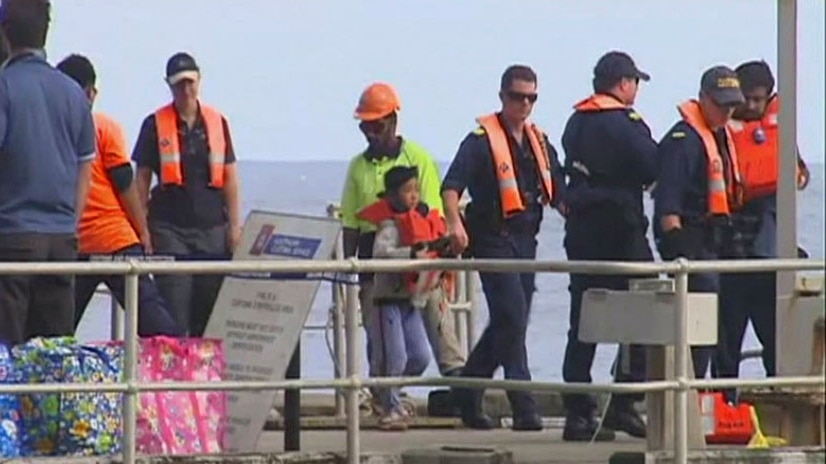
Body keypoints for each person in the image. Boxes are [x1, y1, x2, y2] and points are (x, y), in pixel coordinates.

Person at [442, 64, 566, 431]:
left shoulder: (540, 142)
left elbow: (560, 192)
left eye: (531, 98)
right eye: (517, 97)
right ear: (502, 97)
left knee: (511, 322)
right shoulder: (480, 140)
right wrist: (453, 224)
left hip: (526, 240)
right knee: (511, 316)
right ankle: (524, 405)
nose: (524, 104)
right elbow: (451, 187)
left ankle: (467, 390)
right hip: (492, 238)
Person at [339, 82, 466, 413]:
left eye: (375, 125)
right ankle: (386, 398)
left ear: (393, 121)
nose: (369, 132)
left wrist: (439, 265)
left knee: (440, 339)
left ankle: (466, 396)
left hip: (421, 263)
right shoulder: (357, 167)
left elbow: (432, 215)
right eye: (364, 126)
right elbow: (351, 224)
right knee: (382, 342)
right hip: (377, 265)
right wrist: (350, 272)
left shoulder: (419, 159)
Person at [559, 51, 658, 441]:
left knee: (582, 320)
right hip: (621, 230)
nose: (636, 90)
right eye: (635, 82)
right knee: (644, 310)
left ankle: (577, 411)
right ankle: (623, 400)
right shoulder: (626, 123)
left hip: (582, 232)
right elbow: (651, 165)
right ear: (623, 83)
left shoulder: (576, 121)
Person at [56, 54, 182, 337]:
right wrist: (143, 232)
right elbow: (126, 186)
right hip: (115, 240)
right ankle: (177, 372)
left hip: (74, 242)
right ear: (91, 93)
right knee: (155, 323)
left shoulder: (55, 131)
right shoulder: (105, 128)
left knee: (58, 329)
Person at [0, 0, 95, 346]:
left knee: (6, 356)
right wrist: (71, 219)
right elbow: (86, 164)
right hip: (61, 239)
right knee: (55, 354)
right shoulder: (73, 92)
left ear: (5, 33)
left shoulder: (5, 86)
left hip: (11, 236)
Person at [715, 60, 811, 385]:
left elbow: (799, 175)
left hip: (769, 258)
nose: (752, 106)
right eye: (747, 98)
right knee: (726, 341)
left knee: (775, 339)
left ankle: (778, 403)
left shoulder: (778, 133)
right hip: (731, 255)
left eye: (759, 99)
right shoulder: (719, 134)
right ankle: (725, 407)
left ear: (769, 97)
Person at [132, 52, 242, 336]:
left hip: (212, 229)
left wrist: (235, 227)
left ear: (199, 81)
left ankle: (205, 377)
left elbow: (230, 177)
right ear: (169, 85)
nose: (186, 89)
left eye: (190, 82)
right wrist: (141, 229)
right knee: (174, 310)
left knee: (209, 312)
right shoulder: (153, 124)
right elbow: (141, 181)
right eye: (179, 84)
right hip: (170, 230)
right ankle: (177, 376)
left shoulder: (218, 123)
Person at [653, 65, 746, 379]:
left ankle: (710, 398)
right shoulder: (683, 141)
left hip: (713, 242)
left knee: (716, 328)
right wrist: (679, 248)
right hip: (690, 243)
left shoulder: (719, 138)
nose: (727, 112)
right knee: (697, 328)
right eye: (721, 105)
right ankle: (682, 397)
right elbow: (668, 202)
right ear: (703, 98)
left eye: (732, 105)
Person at [357, 166, 454, 430]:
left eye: (416, 190)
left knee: (420, 356)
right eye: (407, 191)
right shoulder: (389, 226)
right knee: (394, 357)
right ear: (391, 195)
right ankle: (390, 407)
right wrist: (410, 255)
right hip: (386, 301)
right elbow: (381, 254)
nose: (413, 196)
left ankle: (389, 394)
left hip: (410, 302)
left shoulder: (420, 219)